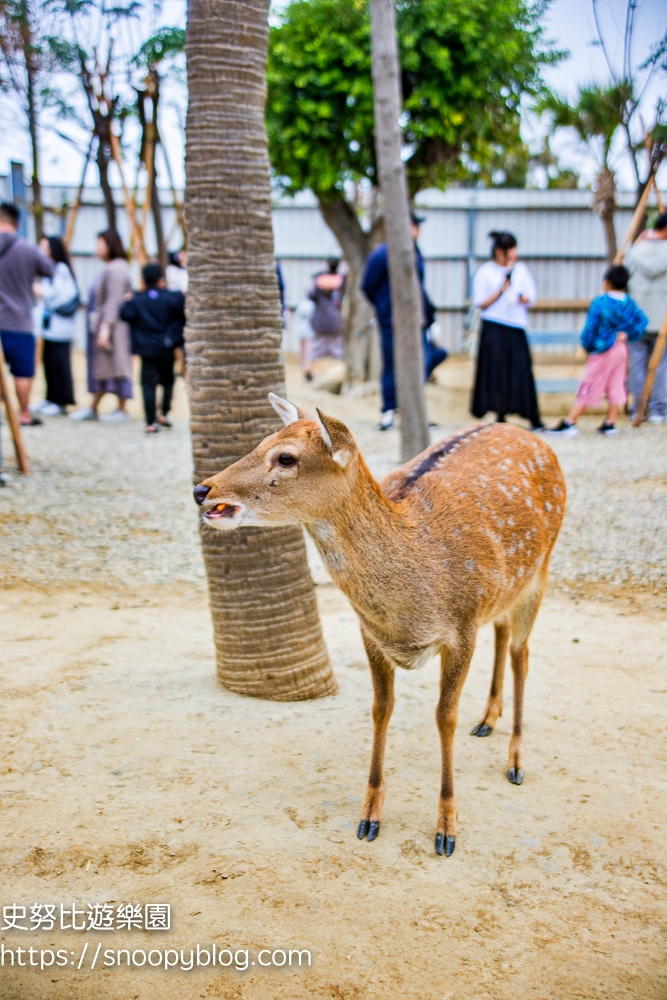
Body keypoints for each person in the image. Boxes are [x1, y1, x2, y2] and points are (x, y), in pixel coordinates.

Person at [362, 213, 447, 430]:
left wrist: (430, 318)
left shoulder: (416, 253)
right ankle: (389, 411)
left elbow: (420, 288)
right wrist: (384, 309)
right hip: (392, 323)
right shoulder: (382, 254)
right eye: (414, 225)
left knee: (423, 362)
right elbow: (367, 285)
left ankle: (415, 412)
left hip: (418, 323)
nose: (417, 230)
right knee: (391, 366)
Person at [548, 265, 647, 438]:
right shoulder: (629, 303)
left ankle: (570, 422)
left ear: (606, 282)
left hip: (603, 349)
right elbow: (642, 322)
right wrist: (628, 334)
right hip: (621, 348)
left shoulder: (600, 302)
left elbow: (590, 328)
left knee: (590, 381)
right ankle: (610, 423)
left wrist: (587, 345)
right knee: (616, 382)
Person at [471, 231, 542, 430]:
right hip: (494, 324)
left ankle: (531, 414)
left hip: (516, 325)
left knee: (521, 370)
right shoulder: (485, 272)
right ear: (499, 251)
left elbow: (532, 297)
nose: (514, 253)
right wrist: (501, 290)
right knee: (496, 372)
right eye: (510, 249)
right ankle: (498, 413)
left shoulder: (521, 270)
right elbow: (480, 303)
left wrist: (524, 298)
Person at [0, 201, 54, 425]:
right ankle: (23, 413)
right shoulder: (28, 248)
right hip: (20, 321)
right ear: (18, 222)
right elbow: (50, 269)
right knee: (22, 371)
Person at [70, 228, 133, 422]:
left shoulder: (117, 269)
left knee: (115, 365)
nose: (96, 247)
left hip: (113, 327)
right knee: (104, 367)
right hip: (105, 325)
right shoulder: (111, 268)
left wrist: (106, 327)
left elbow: (113, 300)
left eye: (100, 243)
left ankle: (121, 409)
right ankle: (94, 407)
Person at [119, 262, 185, 433]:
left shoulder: (136, 300)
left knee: (148, 384)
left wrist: (129, 298)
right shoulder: (173, 297)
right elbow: (183, 311)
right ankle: (164, 413)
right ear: (161, 280)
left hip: (146, 349)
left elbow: (124, 314)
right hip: (167, 346)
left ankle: (150, 422)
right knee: (168, 381)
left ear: (143, 280)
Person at [624, 211, 667, 424]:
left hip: (637, 319)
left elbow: (622, 279)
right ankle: (659, 409)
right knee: (662, 366)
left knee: (637, 365)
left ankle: (638, 408)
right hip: (663, 319)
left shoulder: (635, 251)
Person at [31, 236, 79, 416]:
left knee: (60, 364)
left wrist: (40, 291)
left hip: (61, 327)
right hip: (51, 327)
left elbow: (57, 295)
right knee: (49, 362)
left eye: (44, 246)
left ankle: (62, 401)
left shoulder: (61, 269)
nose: (41, 249)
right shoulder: (51, 270)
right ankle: (50, 397)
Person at [308, 258, 346, 363]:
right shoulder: (341, 280)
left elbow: (311, 296)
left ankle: (312, 374)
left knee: (316, 350)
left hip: (319, 321)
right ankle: (337, 373)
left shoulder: (318, 278)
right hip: (335, 321)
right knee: (337, 351)